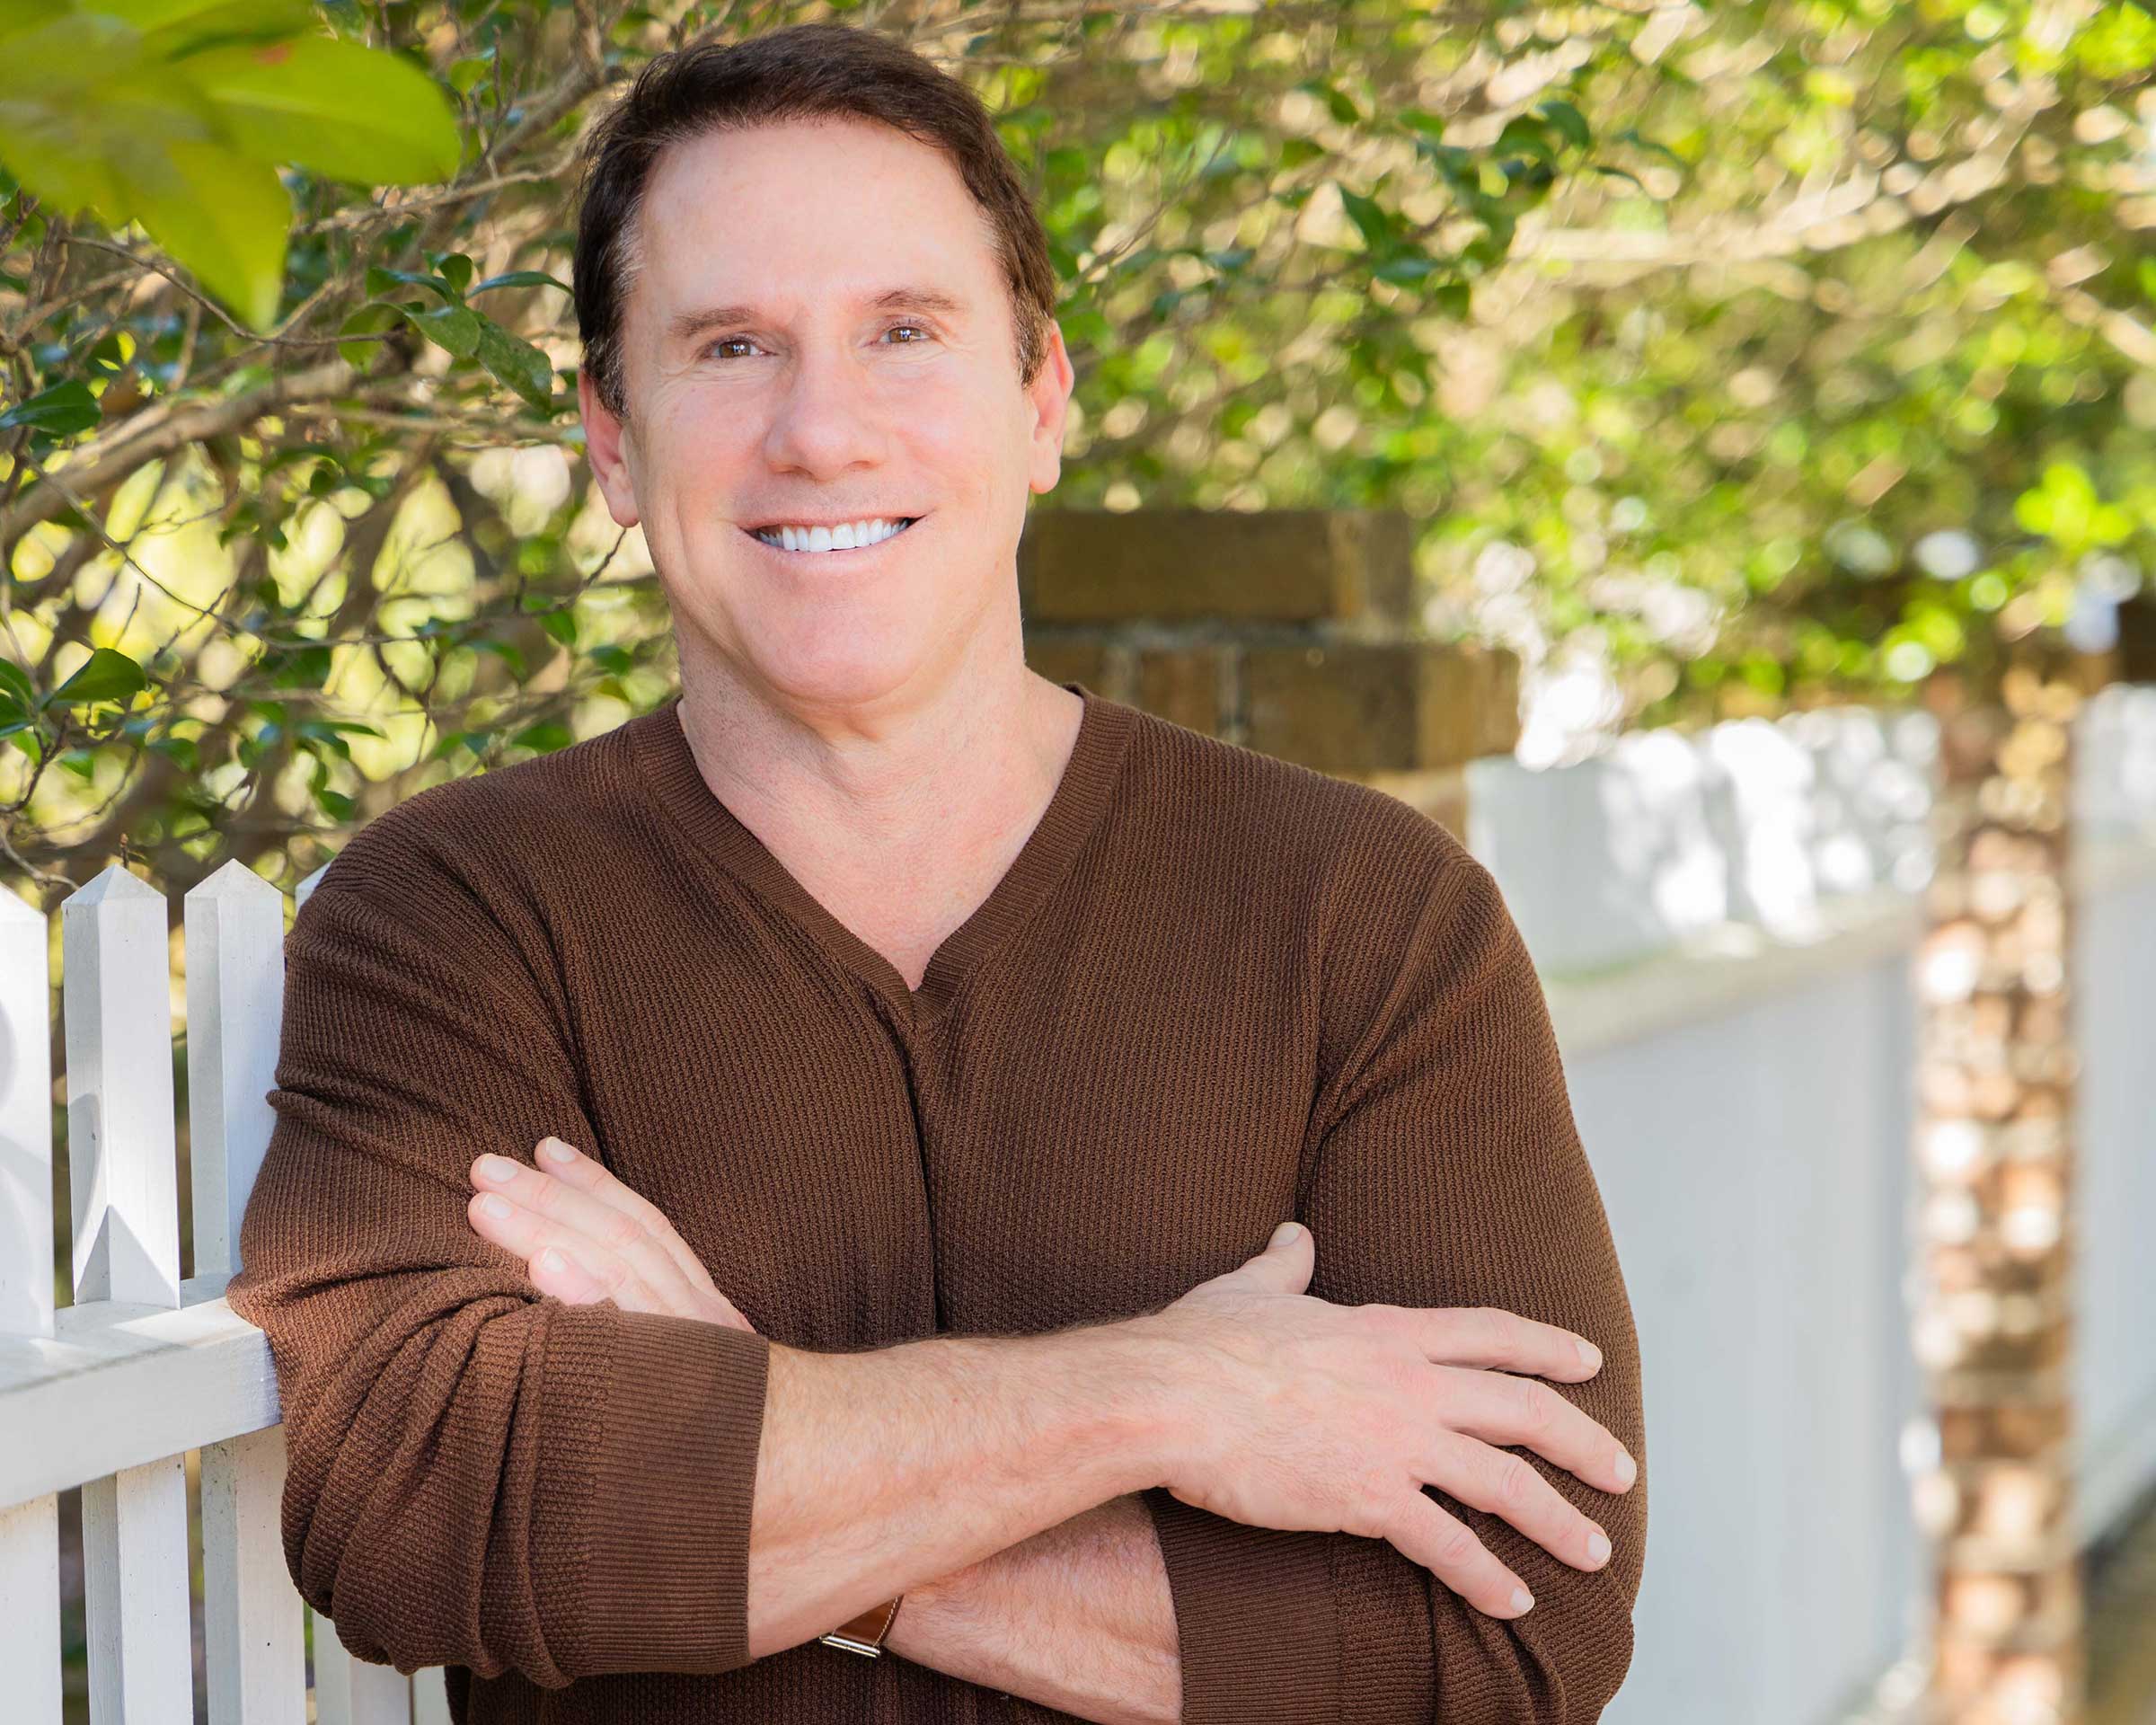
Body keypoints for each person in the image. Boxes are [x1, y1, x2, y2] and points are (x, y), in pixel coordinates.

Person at [224, 21, 1646, 1725]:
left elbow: (1508, 1638)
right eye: (733, 346)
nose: (822, 430)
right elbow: (415, 1506)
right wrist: (1166, 1394)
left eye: (904, 331)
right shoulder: (456, 918)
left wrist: (756, 1446)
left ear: (1041, 401)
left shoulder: (1362, 916)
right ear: (611, 440)